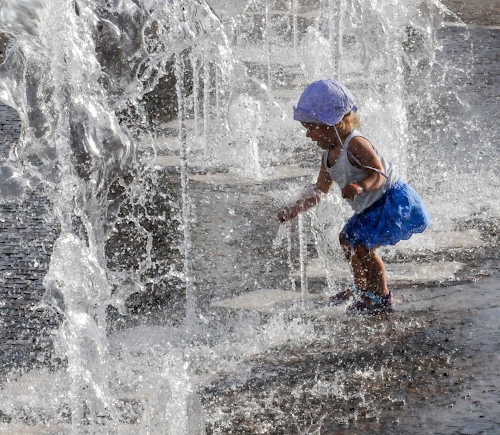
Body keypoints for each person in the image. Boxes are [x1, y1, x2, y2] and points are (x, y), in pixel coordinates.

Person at [278, 79, 432, 311]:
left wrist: (360, 187)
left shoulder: (355, 143)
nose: (308, 135)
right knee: (346, 239)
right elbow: (320, 190)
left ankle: (381, 295)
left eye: (312, 127)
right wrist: (295, 209)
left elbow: (379, 173)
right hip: (371, 205)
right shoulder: (328, 155)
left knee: (363, 246)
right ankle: (362, 286)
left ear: (333, 122)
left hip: (390, 199)